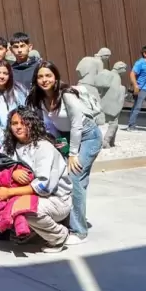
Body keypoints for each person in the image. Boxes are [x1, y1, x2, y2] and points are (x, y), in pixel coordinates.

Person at [26, 61, 101, 245]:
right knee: (62, 176)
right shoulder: (39, 98)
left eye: (48, 76)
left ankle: (79, 231)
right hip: (64, 138)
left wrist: (73, 153)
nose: (45, 80)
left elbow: (76, 124)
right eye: (40, 76)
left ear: (56, 77)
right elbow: (50, 125)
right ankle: (67, 220)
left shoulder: (66, 95)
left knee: (75, 177)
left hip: (87, 136)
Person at [0, 106, 73, 253]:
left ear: (32, 123)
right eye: (14, 123)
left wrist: (9, 192)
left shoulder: (43, 147)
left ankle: (58, 236)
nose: (18, 127)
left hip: (56, 200)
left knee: (25, 209)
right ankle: (32, 232)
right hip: (28, 195)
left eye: (24, 122)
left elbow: (43, 187)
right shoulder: (10, 147)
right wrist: (12, 173)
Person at [0, 60, 27, 151]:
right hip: (2, 145)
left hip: (24, 140)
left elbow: (28, 113)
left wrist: (23, 138)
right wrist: (8, 143)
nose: (2, 76)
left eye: (5, 73)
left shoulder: (19, 90)